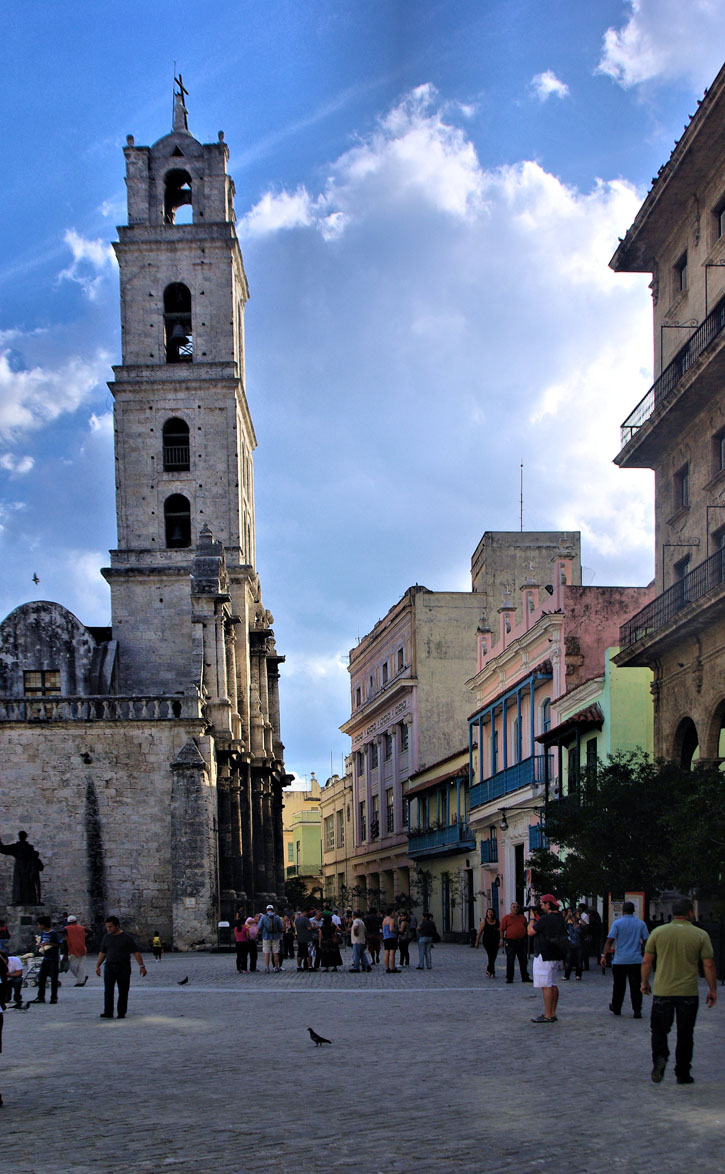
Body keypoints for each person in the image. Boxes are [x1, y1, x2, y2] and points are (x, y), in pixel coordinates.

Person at [641, 897, 717, 1084]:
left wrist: (644, 982)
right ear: (690, 913)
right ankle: (683, 1072)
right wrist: (712, 989)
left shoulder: (658, 932)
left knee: (658, 1030)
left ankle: (660, 1057)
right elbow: (708, 964)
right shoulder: (700, 935)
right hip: (688, 992)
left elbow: (647, 961)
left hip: (663, 991)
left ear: (674, 913)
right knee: (685, 1033)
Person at [601, 900, 649, 1017]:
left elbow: (610, 940)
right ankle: (637, 1009)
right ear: (634, 911)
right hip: (635, 959)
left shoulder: (617, 924)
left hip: (620, 960)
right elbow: (646, 940)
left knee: (618, 985)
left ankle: (616, 1007)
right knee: (636, 985)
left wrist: (604, 955)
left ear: (622, 911)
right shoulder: (641, 924)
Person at [95, 916, 147, 1019]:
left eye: (110, 927)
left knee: (123, 990)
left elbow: (136, 952)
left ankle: (121, 1012)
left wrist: (142, 966)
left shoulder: (126, 938)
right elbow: (103, 952)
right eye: (107, 927)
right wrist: (98, 965)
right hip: (109, 966)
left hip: (123, 967)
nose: (108, 929)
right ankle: (108, 1011)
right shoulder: (106, 937)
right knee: (108, 990)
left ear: (117, 926)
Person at [528, 894, 567, 1023]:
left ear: (548, 904)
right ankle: (552, 1012)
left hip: (544, 954)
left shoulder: (546, 919)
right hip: (555, 953)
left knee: (545, 985)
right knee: (552, 984)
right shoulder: (560, 918)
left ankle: (547, 1014)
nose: (541, 906)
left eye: (543, 904)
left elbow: (530, 932)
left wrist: (532, 918)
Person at [0, 831, 43, 905]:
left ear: (25, 837)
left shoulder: (29, 847)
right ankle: (19, 900)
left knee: (28, 884)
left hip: (28, 868)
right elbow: (3, 849)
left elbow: (34, 857)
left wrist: (34, 867)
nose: (21, 837)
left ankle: (30, 900)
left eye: (23, 835)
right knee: (19, 884)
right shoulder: (16, 847)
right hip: (20, 868)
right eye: (21, 835)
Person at [32, 916, 63, 1004]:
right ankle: (40, 996)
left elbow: (60, 944)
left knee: (54, 979)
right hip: (46, 958)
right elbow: (42, 943)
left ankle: (54, 997)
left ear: (43, 925)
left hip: (53, 958)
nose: (38, 926)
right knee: (41, 977)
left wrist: (50, 943)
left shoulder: (53, 933)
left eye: (39, 925)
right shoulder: (43, 933)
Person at [499, 901, 531, 983]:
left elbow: (526, 927)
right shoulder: (506, 918)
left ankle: (525, 977)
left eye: (517, 907)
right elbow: (502, 929)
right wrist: (501, 940)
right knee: (510, 960)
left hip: (521, 942)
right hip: (511, 942)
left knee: (523, 960)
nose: (516, 909)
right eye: (514, 907)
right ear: (511, 908)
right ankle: (509, 978)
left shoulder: (523, 918)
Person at [258, 905, 284, 973]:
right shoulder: (277, 917)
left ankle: (267, 967)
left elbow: (259, 926)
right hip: (276, 937)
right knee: (275, 952)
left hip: (266, 936)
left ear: (267, 910)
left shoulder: (263, 916)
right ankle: (276, 967)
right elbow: (281, 927)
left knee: (266, 953)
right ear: (273, 910)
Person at [475, 908, 500, 978]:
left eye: (491, 912)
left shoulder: (497, 921)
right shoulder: (484, 921)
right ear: (487, 913)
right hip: (487, 941)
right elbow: (480, 932)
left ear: (494, 913)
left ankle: (490, 970)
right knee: (490, 955)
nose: (490, 913)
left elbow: (500, 930)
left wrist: (501, 940)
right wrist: (477, 942)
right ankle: (490, 970)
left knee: (494, 956)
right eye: (489, 912)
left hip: (495, 941)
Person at [65, 916, 88, 985]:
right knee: (81, 965)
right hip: (82, 948)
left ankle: (81, 980)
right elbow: (91, 931)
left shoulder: (67, 929)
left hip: (73, 949)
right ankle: (81, 979)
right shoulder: (81, 928)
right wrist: (84, 939)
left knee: (72, 966)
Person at [563, 911, 584, 981]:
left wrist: (580, 918)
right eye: (573, 917)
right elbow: (563, 924)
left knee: (579, 961)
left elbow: (585, 926)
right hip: (571, 945)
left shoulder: (580, 926)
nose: (574, 919)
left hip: (579, 945)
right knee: (569, 961)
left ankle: (578, 974)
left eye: (575, 917)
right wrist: (567, 916)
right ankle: (566, 975)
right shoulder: (570, 925)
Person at [382, 907, 400, 972]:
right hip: (392, 937)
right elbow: (391, 929)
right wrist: (397, 931)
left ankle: (387, 968)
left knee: (386, 953)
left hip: (386, 937)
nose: (395, 913)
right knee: (392, 953)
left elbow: (383, 929)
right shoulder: (392, 920)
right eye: (394, 912)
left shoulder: (384, 920)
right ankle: (393, 968)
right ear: (391, 912)